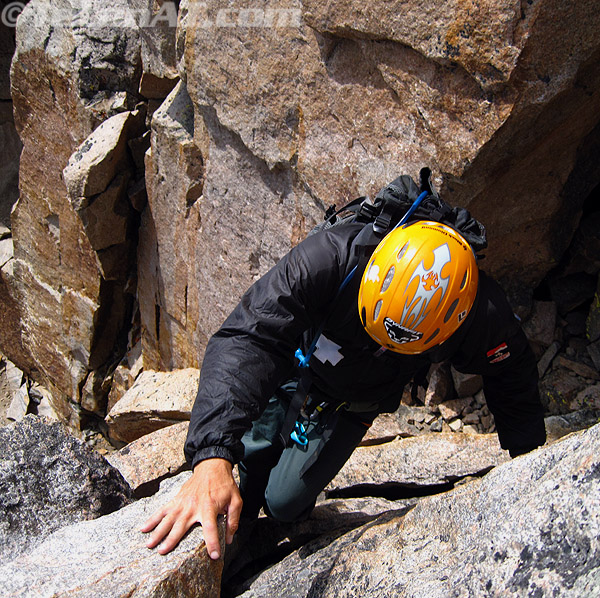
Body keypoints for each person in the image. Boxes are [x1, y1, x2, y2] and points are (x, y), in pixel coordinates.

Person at [141, 176, 547, 560]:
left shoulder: (479, 310)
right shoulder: (331, 256)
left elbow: (512, 373)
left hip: (357, 400)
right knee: (244, 472)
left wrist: (530, 468)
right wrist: (213, 454)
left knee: (284, 504)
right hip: (298, 366)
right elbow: (252, 335)